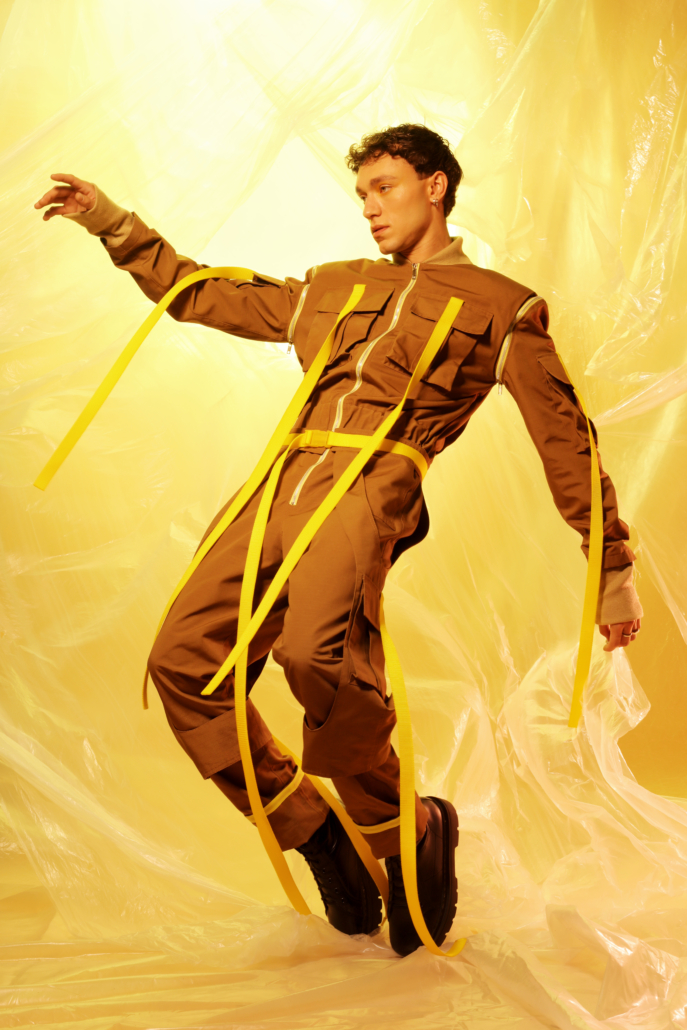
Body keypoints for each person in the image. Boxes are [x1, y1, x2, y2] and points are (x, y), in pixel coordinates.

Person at [35, 123, 642, 956]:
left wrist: (610, 568)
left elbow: (565, 439)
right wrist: (109, 220)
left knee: (318, 660)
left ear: (435, 186)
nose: (369, 207)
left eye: (384, 187)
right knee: (181, 662)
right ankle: (314, 828)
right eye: (361, 193)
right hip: (273, 488)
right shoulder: (334, 285)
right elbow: (201, 291)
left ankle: (404, 830)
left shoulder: (504, 307)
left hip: (366, 492)